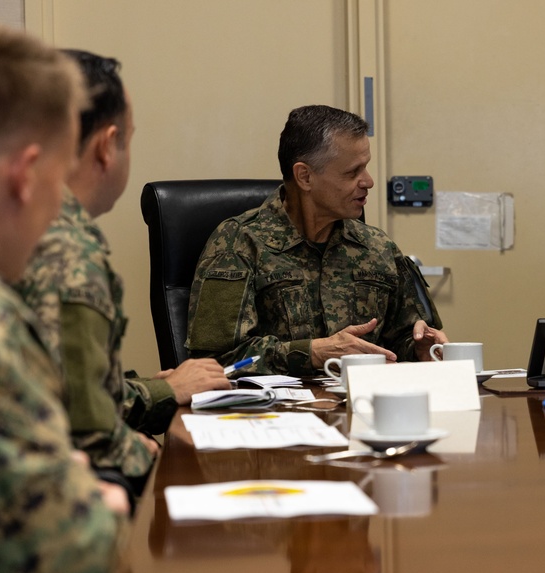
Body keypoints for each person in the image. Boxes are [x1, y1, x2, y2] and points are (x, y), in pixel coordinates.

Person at [0, 26, 125, 573]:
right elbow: (64, 566)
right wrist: (98, 507)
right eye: (57, 186)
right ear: (25, 176)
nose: (57, 215)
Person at [17, 50, 230, 487]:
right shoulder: (66, 252)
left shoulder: (9, 225)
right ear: (105, 147)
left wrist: (155, 390)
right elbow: (91, 439)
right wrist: (146, 455)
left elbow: (64, 384)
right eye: (129, 139)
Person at [187, 104, 447, 376]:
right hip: (275, 415)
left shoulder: (377, 248)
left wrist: (419, 348)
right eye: (352, 172)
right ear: (305, 176)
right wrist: (310, 353)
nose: (368, 181)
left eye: (366, 168)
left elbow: (404, 339)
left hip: (362, 410)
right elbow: (214, 362)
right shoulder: (238, 244)